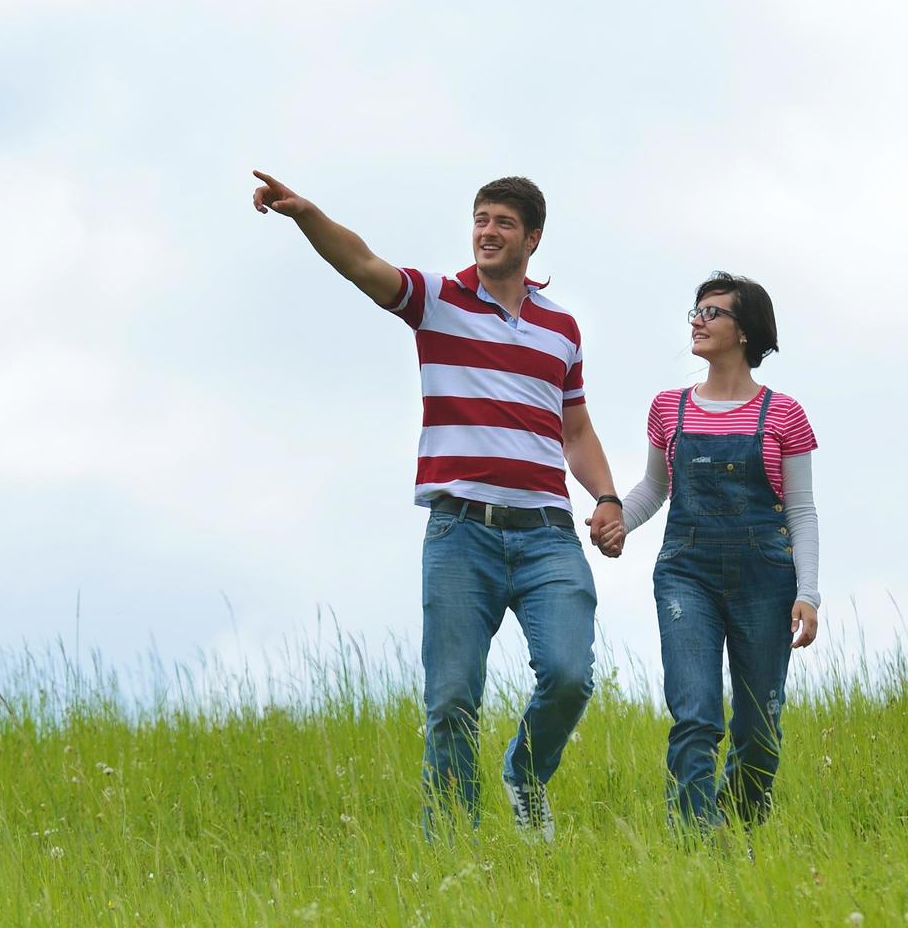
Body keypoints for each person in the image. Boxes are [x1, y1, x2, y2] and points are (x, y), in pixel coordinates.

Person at [250, 169, 627, 835]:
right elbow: (363, 265)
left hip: (547, 534)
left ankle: (524, 776)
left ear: (532, 238)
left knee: (569, 675)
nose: (487, 231)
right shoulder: (437, 300)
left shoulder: (561, 330)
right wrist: (307, 215)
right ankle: (453, 847)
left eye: (503, 222)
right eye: (480, 219)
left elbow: (574, 428)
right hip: (461, 534)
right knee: (451, 699)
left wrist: (605, 496)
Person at [617, 273, 820, 827]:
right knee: (695, 716)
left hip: (767, 580)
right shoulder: (668, 408)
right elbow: (655, 489)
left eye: (712, 313)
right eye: (696, 312)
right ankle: (697, 847)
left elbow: (800, 511)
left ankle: (739, 834)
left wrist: (809, 594)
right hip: (687, 574)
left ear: (745, 330)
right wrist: (618, 520)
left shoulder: (784, 414)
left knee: (759, 727)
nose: (698, 322)